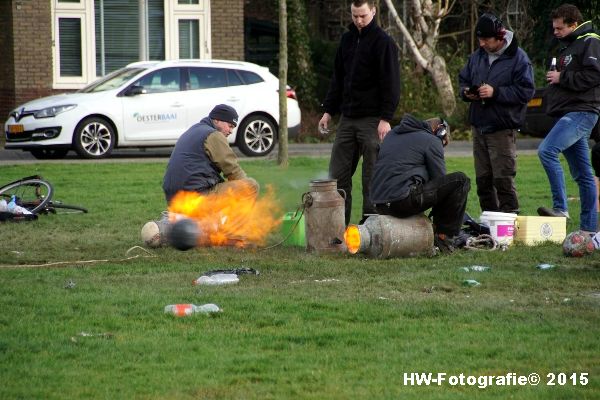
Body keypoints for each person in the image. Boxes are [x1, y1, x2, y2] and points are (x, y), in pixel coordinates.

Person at [318, 0, 400, 225]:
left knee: (372, 176)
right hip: (347, 118)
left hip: (373, 120)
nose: (358, 20)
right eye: (355, 16)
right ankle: (337, 226)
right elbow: (338, 78)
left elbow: (391, 84)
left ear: (373, 11)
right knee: (337, 175)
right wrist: (328, 111)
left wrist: (385, 118)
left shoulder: (384, 43)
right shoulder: (346, 40)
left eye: (363, 15)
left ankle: (370, 228)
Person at [459, 13, 535, 214]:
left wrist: (496, 92)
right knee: (483, 181)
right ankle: (489, 223)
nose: (481, 44)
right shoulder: (477, 56)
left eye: (486, 40)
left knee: (502, 179)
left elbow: (526, 91)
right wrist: (467, 93)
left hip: (502, 128)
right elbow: (463, 79)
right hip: (479, 126)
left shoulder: (519, 59)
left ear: (500, 37)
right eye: (479, 39)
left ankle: (509, 221)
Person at [536, 4, 600, 236]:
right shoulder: (569, 46)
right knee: (584, 175)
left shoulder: (590, 41)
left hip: (582, 112)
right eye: (554, 28)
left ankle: (561, 209)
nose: (555, 32)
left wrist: (562, 77)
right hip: (569, 112)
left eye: (559, 28)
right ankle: (589, 229)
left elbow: (595, 74)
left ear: (574, 24)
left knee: (547, 151)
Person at [370, 114, 471, 253]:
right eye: (444, 143)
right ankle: (444, 237)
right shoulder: (432, 140)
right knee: (460, 181)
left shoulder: (392, 134)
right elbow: (440, 181)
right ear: (440, 131)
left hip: (379, 204)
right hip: (401, 202)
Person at [163, 104, 259, 204]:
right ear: (217, 120)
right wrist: (246, 189)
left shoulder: (194, 131)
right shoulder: (213, 135)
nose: (231, 131)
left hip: (173, 199)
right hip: (196, 198)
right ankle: (240, 220)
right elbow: (232, 170)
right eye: (230, 126)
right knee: (250, 186)